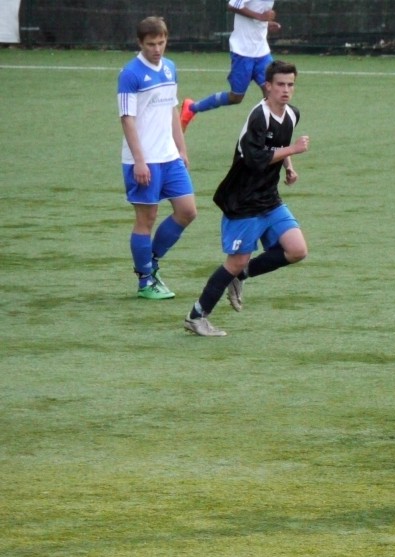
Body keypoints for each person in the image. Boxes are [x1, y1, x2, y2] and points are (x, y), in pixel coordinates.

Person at [183, 60, 309, 337]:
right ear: (268, 86)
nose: (286, 90)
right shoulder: (258, 117)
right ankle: (197, 315)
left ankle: (240, 277)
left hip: (269, 197)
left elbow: (277, 147)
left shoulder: (291, 114)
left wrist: (289, 167)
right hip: (243, 200)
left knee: (297, 249)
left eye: (290, 84)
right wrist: (294, 150)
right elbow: (255, 159)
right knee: (235, 260)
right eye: (280, 84)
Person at [118, 16, 197, 300]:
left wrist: (182, 149)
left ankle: (150, 261)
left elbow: (173, 112)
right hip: (143, 159)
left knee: (188, 211)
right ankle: (145, 281)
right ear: (140, 43)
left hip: (169, 156)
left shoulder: (170, 68)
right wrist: (139, 161)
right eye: (151, 44)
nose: (157, 49)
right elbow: (127, 120)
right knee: (146, 218)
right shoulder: (130, 74)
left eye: (161, 42)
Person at [180, 0, 281, 131]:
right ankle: (192, 108)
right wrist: (260, 17)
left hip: (262, 52)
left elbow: (256, 15)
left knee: (272, 92)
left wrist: (265, 23)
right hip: (242, 53)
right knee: (236, 97)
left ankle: (269, 137)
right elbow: (233, 4)